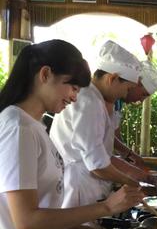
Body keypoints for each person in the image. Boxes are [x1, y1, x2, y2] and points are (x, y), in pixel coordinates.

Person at [0, 40, 144, 229]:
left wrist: (75, 225)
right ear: (45, 75)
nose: (75, 97)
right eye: (73, 87)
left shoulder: (33, 125)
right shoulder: (18, 127)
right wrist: (106, 207)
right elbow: (25, 220)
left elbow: (40, 203)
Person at [50, 40, 141, 209]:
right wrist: (133, 183)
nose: (125, 95)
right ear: (112, 78)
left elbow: (103, 154)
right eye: (127, 89)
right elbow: (97, 166)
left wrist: (136, 177)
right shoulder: (89, 101)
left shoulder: (95, 98)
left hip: (85, 182)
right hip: (79, 185)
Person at [111, 60, 157, 181]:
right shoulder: (96, 101)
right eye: (142, 94)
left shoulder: (118, 102)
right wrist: (131, 165)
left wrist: (129, 154)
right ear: (135, 85)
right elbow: (97, 159)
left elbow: (113, 134)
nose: (140, 101)